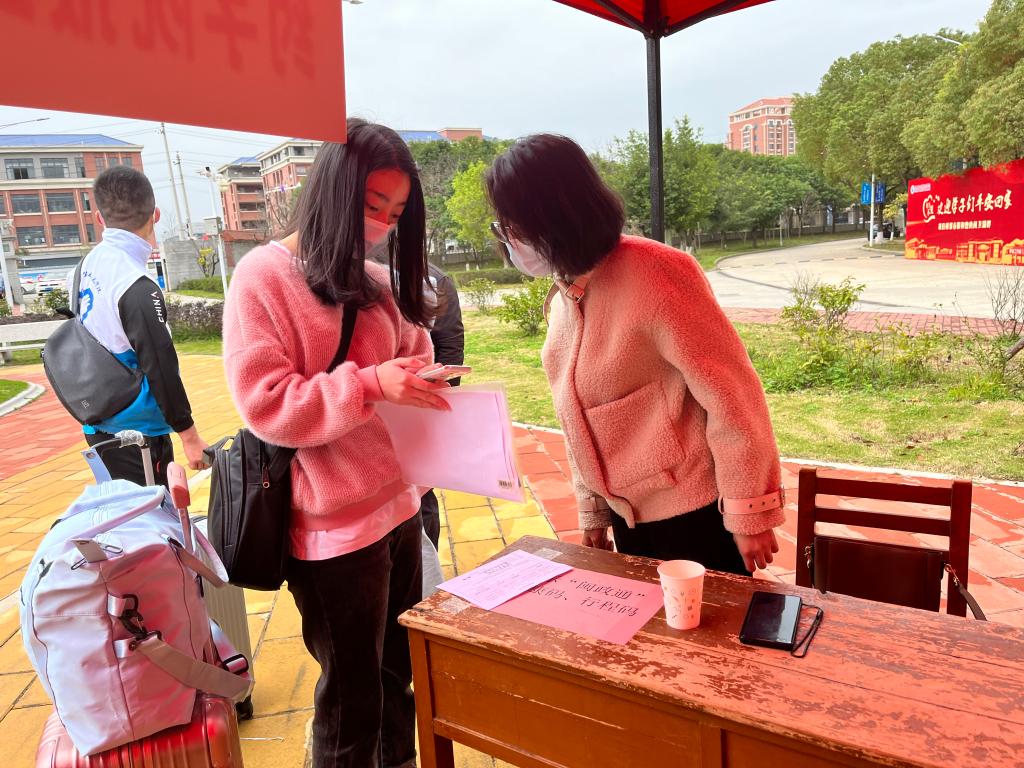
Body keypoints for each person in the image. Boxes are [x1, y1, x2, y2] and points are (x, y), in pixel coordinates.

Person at [222, 119, 450, 768]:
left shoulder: (377, 283)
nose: (381, 224)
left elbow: (413, 359)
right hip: (332, 530)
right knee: (352, 702)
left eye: (396, 213)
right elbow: (268, 406)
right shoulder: (263, 277)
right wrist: (371, 383)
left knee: (398, 679)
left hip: (399, 509)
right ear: (334, 191)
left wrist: (423, 379)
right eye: (373, 205)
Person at [485, 134, 783, 576]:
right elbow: (576, 416)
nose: (510, 239)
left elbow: (732, 395)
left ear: (557, 214)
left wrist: (749, 510)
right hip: (629, 520)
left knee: (709, 623)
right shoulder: (566, 292)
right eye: (504, 226)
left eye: (516, 225)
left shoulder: (657, 272)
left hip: (698, 517)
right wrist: (593, 510)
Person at [69, 166, 207, 485]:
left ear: (99, 218)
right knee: (151, 513)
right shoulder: (135, 284)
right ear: (155, 214)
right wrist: (189, 436)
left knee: (124, 509)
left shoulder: (83, 268)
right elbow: (160, 365)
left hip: (96, 420)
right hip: (137, 434)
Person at [367, 247, 465, 549]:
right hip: (372, 410)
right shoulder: (345, 270)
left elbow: (449, 346)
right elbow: (451, 344)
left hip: (410, 404)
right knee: (415, 493)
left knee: (419, 494)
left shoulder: (431, 279)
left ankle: (424, 559)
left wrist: (437, 399)